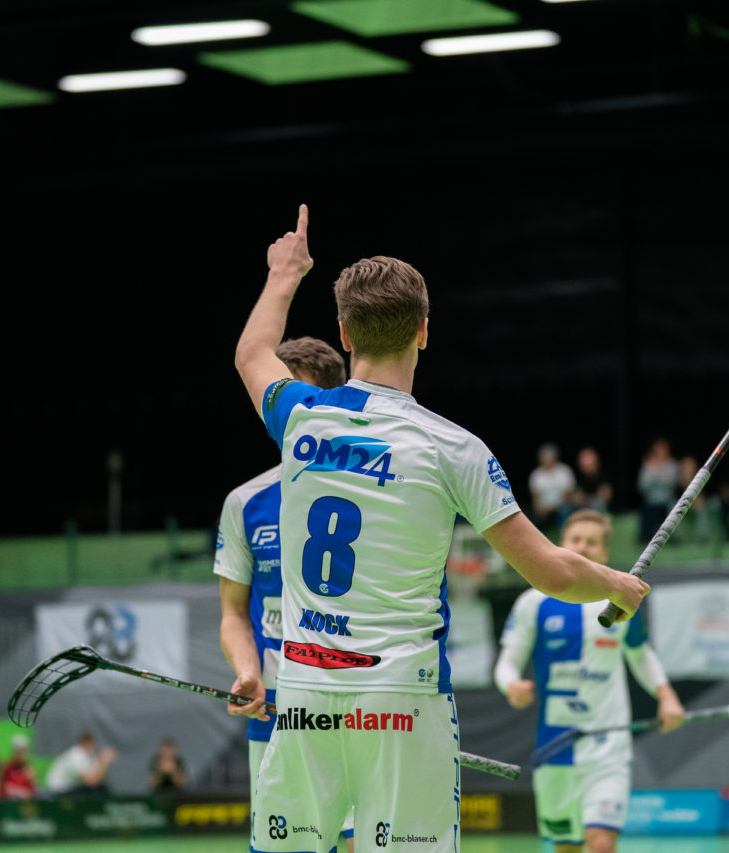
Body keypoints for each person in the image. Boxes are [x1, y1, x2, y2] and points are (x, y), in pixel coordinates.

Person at [233, 204, 648, 852]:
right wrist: (616, 583)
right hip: (403, 701)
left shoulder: (301, 416)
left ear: (343, 332)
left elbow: (253, 352)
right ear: (424, 331)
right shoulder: (453, 447)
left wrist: (285, 273)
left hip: (306, 692)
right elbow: (551, 571)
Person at [214, 336, 352, 845]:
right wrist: (247, 671)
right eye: (277, 398)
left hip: (360, 708)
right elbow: (234, 614)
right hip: (276, 712)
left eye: (303, 399)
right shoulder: (244, 503)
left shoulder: (380, 489)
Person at [495, 509, 685, 853]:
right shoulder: (532, 603)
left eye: (592, 543)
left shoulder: (619, 600)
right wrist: (511, 685)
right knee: (565, 847)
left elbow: (640, 654)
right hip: (555, 748)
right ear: (560, 545)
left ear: (605, 553)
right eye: (575, 540)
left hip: (608, 746)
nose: (582, 547)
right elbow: (506, 663)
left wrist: (666, 696)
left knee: (600, 844)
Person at [44, 730, 115, 796]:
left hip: (71, 789)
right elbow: (92, 782)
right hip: (58, 791)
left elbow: (99, 780)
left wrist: (102, 763)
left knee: (102, 788)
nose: (93, 746)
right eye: (91, 743)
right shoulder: (76, 755)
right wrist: (104, 762)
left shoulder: (90, 756)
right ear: (84, 742)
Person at [636, 439, 677, 542]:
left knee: (672, 508)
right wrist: (657, 475)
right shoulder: (647, 465)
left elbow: (671, 483)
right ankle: (644, 537)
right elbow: (642, 486)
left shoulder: (672, 464)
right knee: (646, 512)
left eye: (663, 449)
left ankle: (672, 538)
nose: (661, 452)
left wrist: (655, 475)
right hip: (651, 503)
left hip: (667, 502)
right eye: (658, 450)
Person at [529, 443, 576, 531]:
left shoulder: (564, 471)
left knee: (566, 509)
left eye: (549, 457)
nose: (547, 460)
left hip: (561, 505)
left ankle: (564, 533)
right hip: (544, 508)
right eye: (544, 457)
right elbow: (535, 497)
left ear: (555, 457)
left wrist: (553, 507)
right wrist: (539, 508)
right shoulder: (536, 475)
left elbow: (568, 494)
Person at [566, 447, 613, 514]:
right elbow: (575, 496)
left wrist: (590, 498)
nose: (586, 463)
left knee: (598, 504)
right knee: (566, 507)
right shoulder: (577, 475)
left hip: (597, 504)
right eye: (583, 459)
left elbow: (607, 495)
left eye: (589, 459)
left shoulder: (604, 474)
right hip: (581, 504)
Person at [0, 733, 38, 800]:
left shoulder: (29, 771)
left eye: (23, 751)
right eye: (18, 751)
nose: (21, 754)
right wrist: (18, 792)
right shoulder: (6, 767)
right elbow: (3, 789)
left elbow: (33, 793)